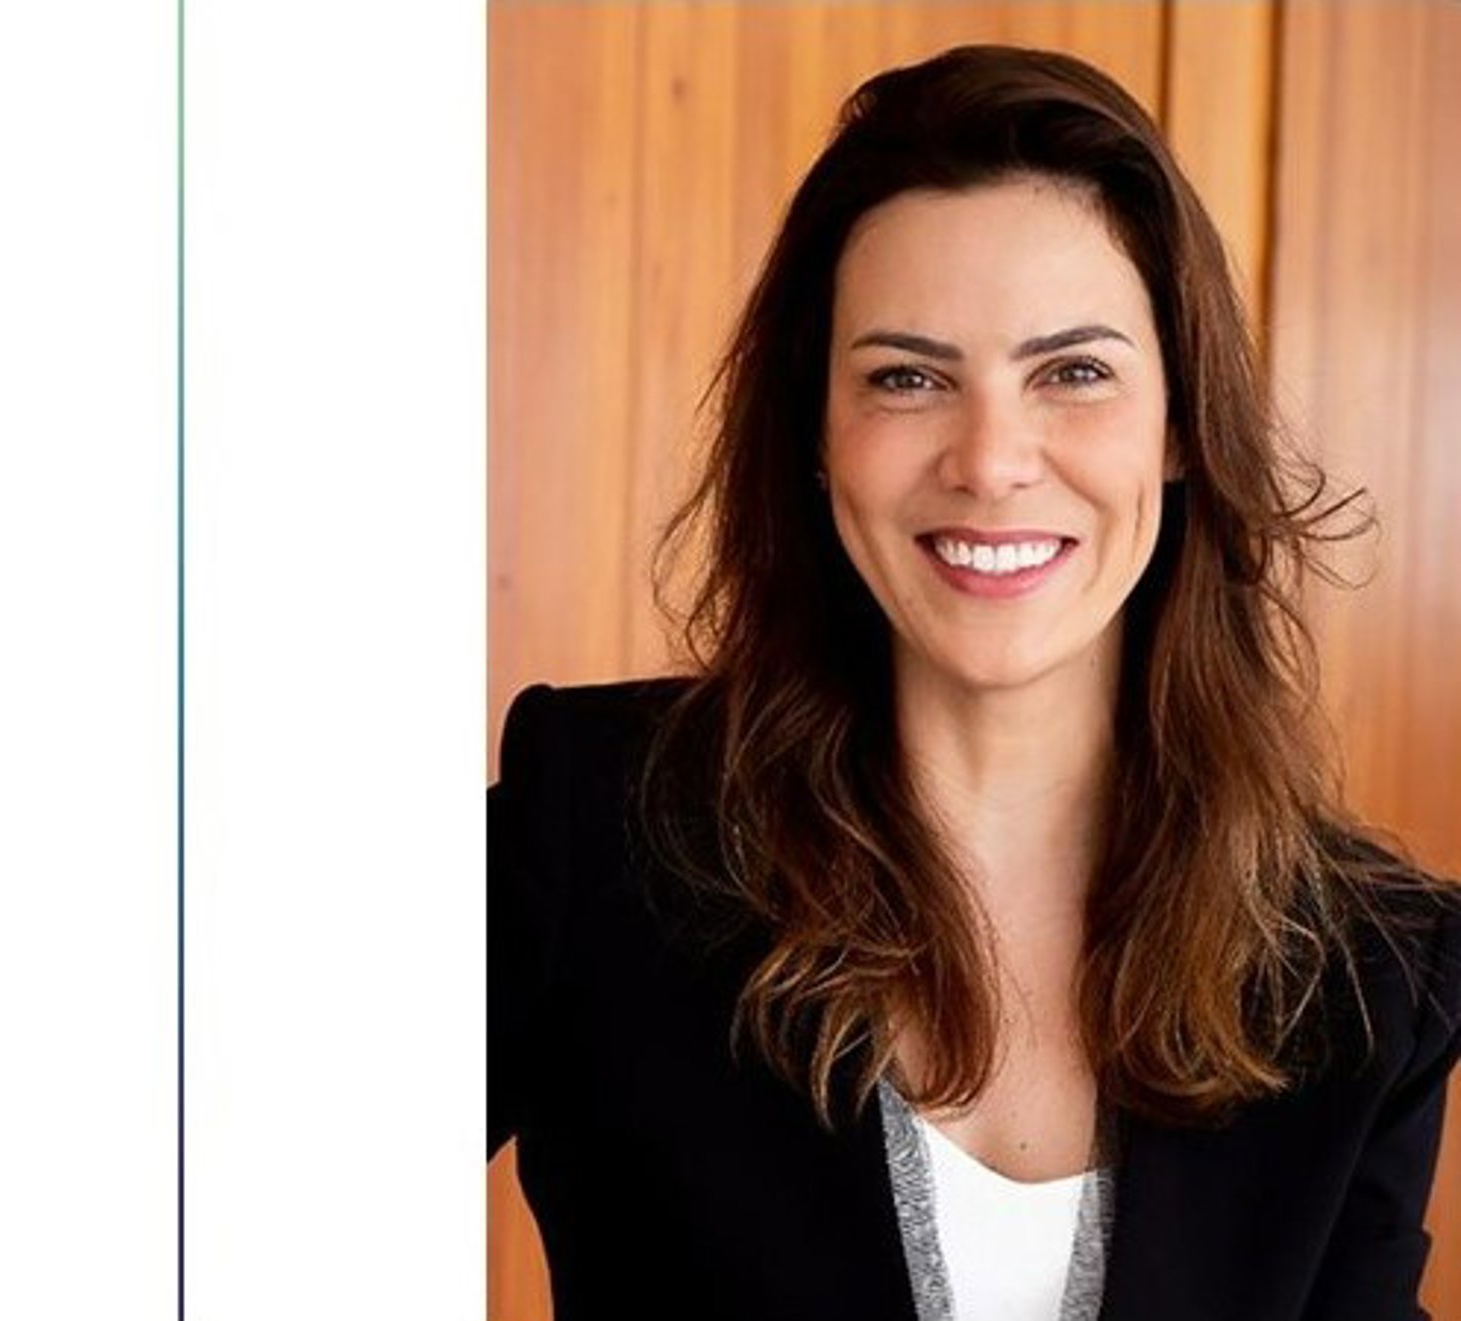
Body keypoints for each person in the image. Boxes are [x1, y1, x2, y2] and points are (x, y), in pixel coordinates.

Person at [488, 44, 1461, 1321]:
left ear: (1180, 423)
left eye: (1074, 372)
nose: (992, 460)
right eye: (907, 377)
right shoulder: (595, 826)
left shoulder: (1375, 968)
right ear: (817, 434)